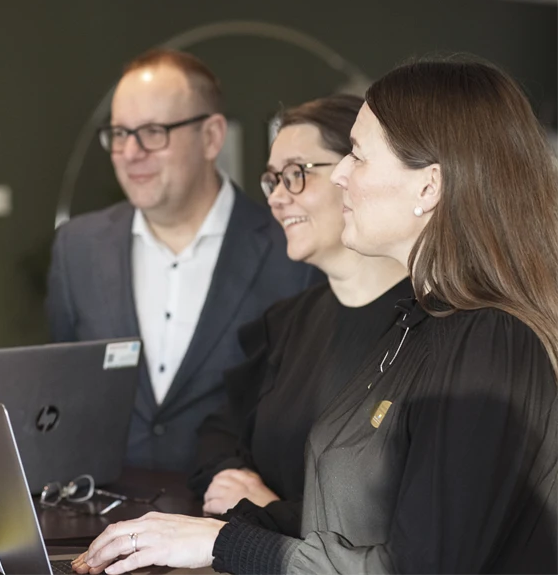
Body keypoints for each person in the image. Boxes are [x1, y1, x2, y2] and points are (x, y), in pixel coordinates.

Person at [73, 57, 558, 574]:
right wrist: (203, 529)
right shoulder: (415, 325)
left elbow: (421, 565)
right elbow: (358, 523)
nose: (343, 175)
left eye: (358, 156)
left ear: (429, 186)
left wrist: (222, 544)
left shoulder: (488, 339)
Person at [46, 48, 319, 472]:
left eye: (153, 131)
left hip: (230, 523)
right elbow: (63, 391)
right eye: (119, 133)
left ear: (211, 137)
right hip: (102, 518)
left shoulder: (292, 249)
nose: (130, 152)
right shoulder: (77, 247)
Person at [187, 95, 410, 534]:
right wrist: (240, 482)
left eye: (296, 175)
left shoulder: (433, 326)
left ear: (357, 172)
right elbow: (217, 437)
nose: (277, 199)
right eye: (273, 181)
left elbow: (400, 523)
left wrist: (269, 509)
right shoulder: (287, 322)